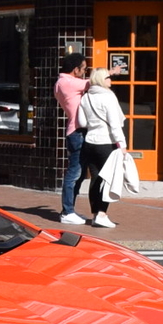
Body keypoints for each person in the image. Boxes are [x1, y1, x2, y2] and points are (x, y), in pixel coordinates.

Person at [74, 69, 126, 229]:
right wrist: (122, 144)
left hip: (90, 143)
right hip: (106, 143)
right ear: (101, 80)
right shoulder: (109, 97)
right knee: (107, 180)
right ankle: (102, 214)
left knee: (95, 178)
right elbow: (115, 123)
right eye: (108, 77)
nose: (111, 80)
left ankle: (96, 213)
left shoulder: (86, 97)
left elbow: (82, 122)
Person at [54, 58, 93, 224]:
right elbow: (93, 83)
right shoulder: (67, 82)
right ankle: (67, 212)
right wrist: (111, 73)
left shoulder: (63, 82)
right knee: (74, 174)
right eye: (83, 69)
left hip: (77, 131)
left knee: (80, 173)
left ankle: (70, 211)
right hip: (76, 132)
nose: (84, 72)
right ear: (75, 69)